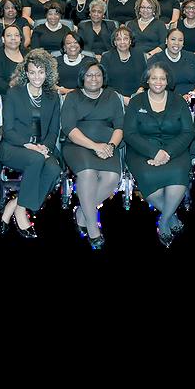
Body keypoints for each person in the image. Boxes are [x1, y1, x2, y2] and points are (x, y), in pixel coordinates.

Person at [123, 62, 194, 248]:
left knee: (178, 173)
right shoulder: (136, 102)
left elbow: (188, 132)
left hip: (175, 150)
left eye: (162, 78)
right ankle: (171, 215)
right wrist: (154, 152)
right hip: (142, 151)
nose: (158, 82)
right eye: (154, 78)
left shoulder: (179, 101)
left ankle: (163, 221)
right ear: (147, 80)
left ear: (168, 81)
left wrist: (167, 152)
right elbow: (129, 133)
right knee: (148, 175)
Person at [0, 49, 63, 239]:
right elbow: (8, 130)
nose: (37, 77)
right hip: (14, 147)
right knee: (35, 160)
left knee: (54, 169)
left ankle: (16, 203)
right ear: (26, 73)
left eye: (41, 72)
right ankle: (21, 213)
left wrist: (45, 147)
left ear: (47, 73)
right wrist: (30, 146)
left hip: (42, 148)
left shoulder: (52, 96)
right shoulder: (14, 93)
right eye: (32, 72)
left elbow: (53, 130)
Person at [60, 62, 124, 250]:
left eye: (97, 75)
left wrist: (111, 146)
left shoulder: (112, 96)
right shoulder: (72, 97)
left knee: (111, 178)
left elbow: (120, 127)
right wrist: (95, 146)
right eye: (89, 75)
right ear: (82, 77)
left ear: (103, 77)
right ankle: (92, 226)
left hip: (107, 145)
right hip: (78, 145)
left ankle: (82, 212)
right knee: (87, 174)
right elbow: (69, 129)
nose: (93, 78)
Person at [148, 28, 195, 97]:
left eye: (180, 40)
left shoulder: (191, 57)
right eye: (173, 39)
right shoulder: (156, 60)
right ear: (166, 41)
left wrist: (192, 94)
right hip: (166, 98)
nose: (176, 43)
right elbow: (151, 85)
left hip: (191, 96)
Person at [101, 25, 147, 105]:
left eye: (125, 39)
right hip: (114, 98)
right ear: (115, 42)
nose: (122, 42)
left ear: (130, 41)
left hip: (138, 96)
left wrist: (141, 89)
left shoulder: (139, 54)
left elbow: (145, 76)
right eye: (119, 39)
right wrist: (122, 98)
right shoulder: (106, 57)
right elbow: (104, 83)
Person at [0, 24, 25, 96]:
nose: (13, 38)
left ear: (20, 39)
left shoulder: (29, 54)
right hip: (8, 95)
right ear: (3, 39)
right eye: (9, 35)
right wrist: (14, 92)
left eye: (16, 35)